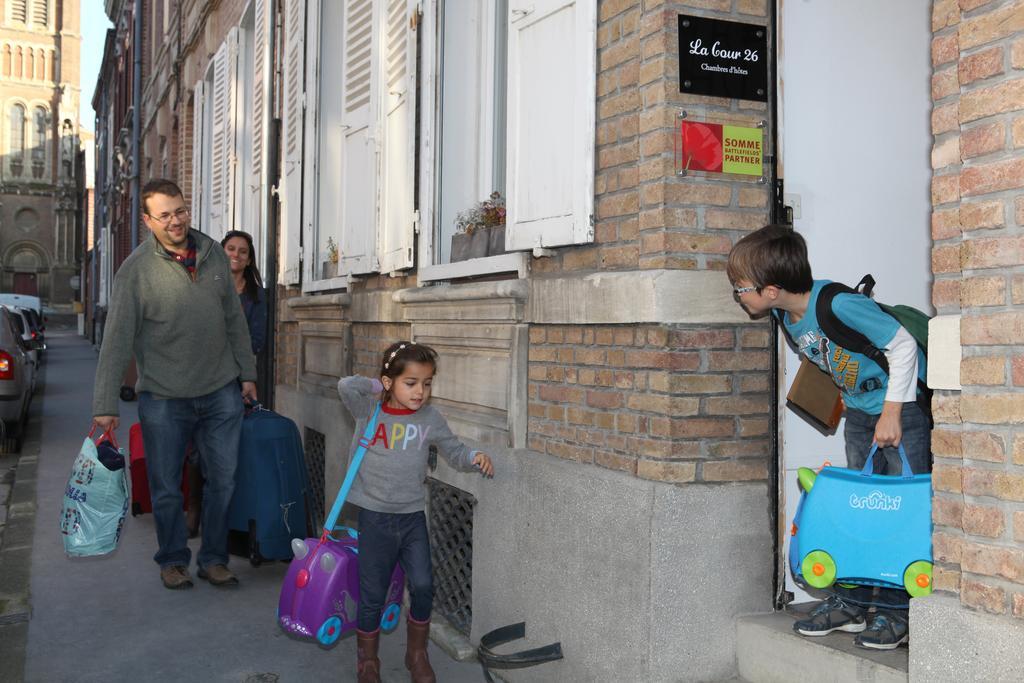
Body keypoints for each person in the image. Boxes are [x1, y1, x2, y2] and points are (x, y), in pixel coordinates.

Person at [727, 224, 930, 651]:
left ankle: (898, 613)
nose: (738, 295)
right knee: (862, 510)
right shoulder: (786, 315)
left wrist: (892, 412)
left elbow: (903, 345)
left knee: (898, 513)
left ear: (771, 289)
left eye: (740, 288)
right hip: (861, 415)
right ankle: (854, 604)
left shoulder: (838, 304)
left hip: (901, 412)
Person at [92, 178, 257, 590]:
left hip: (220, 391)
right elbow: (116, 340)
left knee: (225, 480)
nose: (175, 220)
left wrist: (248, 373)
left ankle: (214, 559)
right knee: (166, 487)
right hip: (164, 397)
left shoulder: (215, 254)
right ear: (148, 220)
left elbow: (234, 321)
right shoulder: (136, 271)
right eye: (164, 214)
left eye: (180, 210)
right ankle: (173, 560)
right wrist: (105, 403)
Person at [337, 342, 495, 683]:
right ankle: (367, 662)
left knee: (423, 585)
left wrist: (473, 456)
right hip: (375, 516)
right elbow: (345, 386)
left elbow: (453, 451)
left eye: (426, 383)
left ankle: (417, 654)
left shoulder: (430, 418)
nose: (420, 391)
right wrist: (381, 385)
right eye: (411, 382)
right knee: (372, 594)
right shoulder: (368, 410)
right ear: (391, 382)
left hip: (411, 517)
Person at [186, 231, 267, 538]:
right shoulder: (202, 286)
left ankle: (223, 520)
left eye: (242, 251)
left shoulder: (258, 298)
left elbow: (255, 341)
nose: (236, 254)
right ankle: (193, 511)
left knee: (225, 453)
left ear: (249, 258)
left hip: (234, 382)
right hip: (199, 378)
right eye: (230, 248)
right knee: (197, 451)